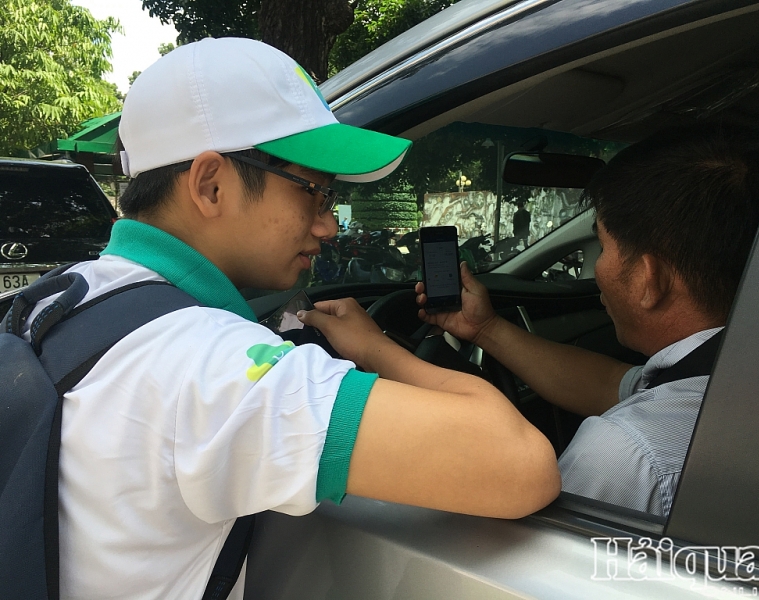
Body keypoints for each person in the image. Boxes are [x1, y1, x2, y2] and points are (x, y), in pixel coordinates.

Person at [18, 38, 559, 599]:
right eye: (315, 193)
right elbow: (520, 461)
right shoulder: (205, 364)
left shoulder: (65, 297)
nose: (328, 226)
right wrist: (374, 349)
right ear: (211, 185)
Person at [416, 126, 759, 517]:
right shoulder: (752, 371)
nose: (596, 270)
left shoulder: (625, 455)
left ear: (647, 279)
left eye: (603, 247)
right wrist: (485, 329)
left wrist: (373, 349)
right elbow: (613, 383)